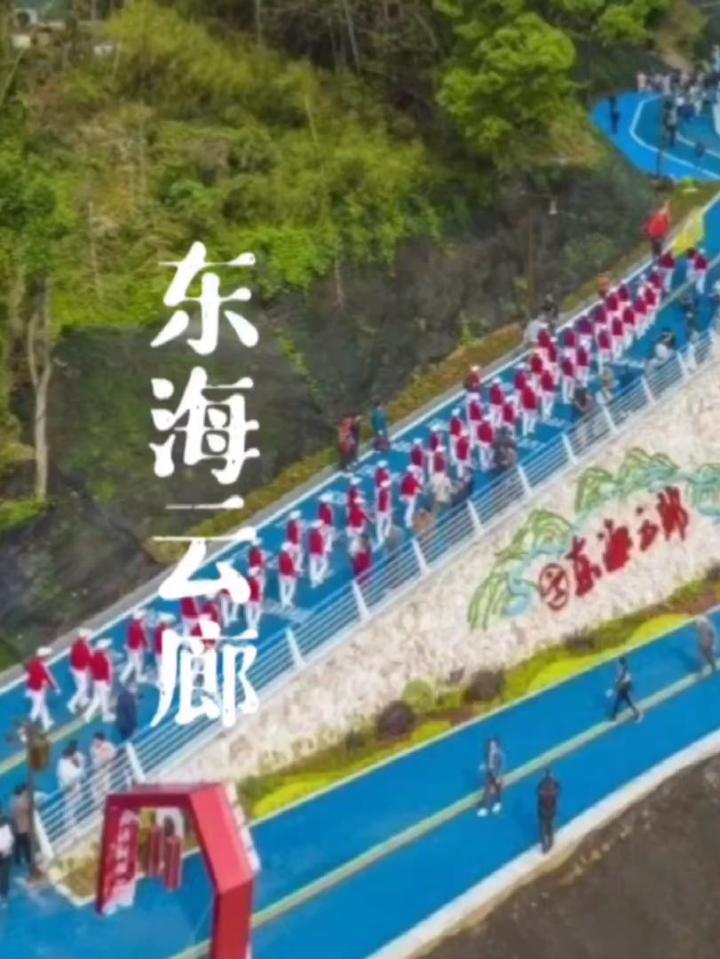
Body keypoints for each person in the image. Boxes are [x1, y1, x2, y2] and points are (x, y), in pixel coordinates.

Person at [25, 646, 58, 732]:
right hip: (37, 690)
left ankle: (46, 722)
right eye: (47, 656)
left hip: (35, 689)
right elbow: (48, 677)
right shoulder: (41, 666)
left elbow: (30, 678)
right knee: (38, 705)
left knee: (42, 706)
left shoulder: (34, 664)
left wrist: (28, 690)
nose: (48, 657)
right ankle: (31, 720)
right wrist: (55, 688)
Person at [57, 740, 86, 831]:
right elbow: (73, 775)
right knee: (70, 808)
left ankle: (74, 824)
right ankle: (70, 826)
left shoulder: (65, 762)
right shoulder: (63, 765)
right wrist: (80, 770)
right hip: (69, 789)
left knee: (77, 803)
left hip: (73, 786)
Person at [84, 638, 115, 723]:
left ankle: (87, 714)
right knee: (104, 699)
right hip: (103, 682)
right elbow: (108, 671)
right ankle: (106, 715)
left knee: (96, 699)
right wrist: (108, 683)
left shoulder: (94, 657)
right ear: (103, 649)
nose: (108, 648)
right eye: (107, 647)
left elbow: (92, 668)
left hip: (97, 681)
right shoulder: (104, 658)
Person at [478, 737, 505, 816]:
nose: (491, 747)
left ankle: (498, 803)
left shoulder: (500, 754)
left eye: (493, 745)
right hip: (489, 773)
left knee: (497, 790)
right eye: (490, 745)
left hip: (497, 774)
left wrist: (499, 776)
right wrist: (484, 766)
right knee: (487, 789)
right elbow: (487, 762)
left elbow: (502, 766)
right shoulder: (488, 753)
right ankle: (485, 808)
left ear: (496, 745)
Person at [68, 628, 93, 714]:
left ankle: (83, 701)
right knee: (83, 687)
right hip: (79, 670)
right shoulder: (82, 647)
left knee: (81, 686)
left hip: (76, 669)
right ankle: (71, 703)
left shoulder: (76, 645)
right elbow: (89, 657)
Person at [609, 656, 642, 722]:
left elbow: (621, 678)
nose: (618, 664)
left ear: (621, 663)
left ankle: (638, 714)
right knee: (619, 702)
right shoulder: (622, 667)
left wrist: (616, 685)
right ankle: (613, 716)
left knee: (629, 702)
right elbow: (617, 665)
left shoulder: (624, 670)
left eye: (619, 663)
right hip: (623, 688)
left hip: (626, 688)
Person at [90, 731, 118, 807]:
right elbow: (97, 760)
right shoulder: (93, 748)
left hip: (106, 770)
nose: (95, 742)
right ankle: (100, 805)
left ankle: (113, 801)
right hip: (97, 771)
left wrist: (106, 758)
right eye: (94, 741)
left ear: (101, 740)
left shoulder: (108, 745)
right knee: (96, 788)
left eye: (96, 740)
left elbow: (112, 755)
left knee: (106, 788)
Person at [537, 768, 560, 853]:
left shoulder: (541, 785)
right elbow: (559, 791)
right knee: (550, 826)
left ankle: (544, 846)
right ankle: (550, 842)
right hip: (552, 810)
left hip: (543, 810)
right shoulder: (554, 785)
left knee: (543, 828)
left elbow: (537, 793)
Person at [10, 785, 31, 873]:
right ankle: (28, 859)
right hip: (22, 827)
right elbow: (28, 807)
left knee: (18, 845)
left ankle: (18, 860)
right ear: (21, 792)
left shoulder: (12, 801)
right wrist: (26, 797)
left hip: (16, 827)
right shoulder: (21, 801)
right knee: (26, 844)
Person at [0, 809, 14, 907]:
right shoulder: (7, 821)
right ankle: (4, 896)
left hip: (5, 854)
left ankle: (4, 896)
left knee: (4, 876)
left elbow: (9, 839)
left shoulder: (6, 823)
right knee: (4, 876)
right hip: (5, 853)